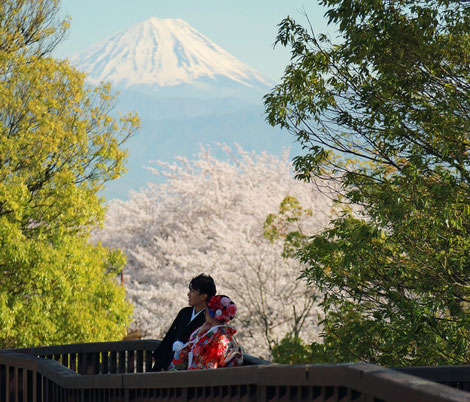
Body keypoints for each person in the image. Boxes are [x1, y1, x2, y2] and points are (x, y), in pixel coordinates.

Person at [151, 274, 216, 371]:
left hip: (191, 367)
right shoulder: (184, 312)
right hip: (171, 363)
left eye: (193, 291)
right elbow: (170, 337)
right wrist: (160, 363)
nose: (188, 294)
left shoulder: (210, 318)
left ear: (203, 296)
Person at [169, 295, 243, 370]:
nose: (204, 313)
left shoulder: (217, 340)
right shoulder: (226, 336)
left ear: (210, 312)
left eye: (206, 310)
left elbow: (205, 370)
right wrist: (199, 334)